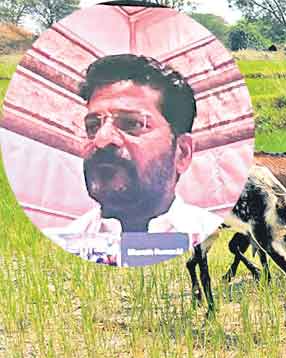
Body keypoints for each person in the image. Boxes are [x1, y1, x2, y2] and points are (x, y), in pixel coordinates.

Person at [51, 53, 222, 262]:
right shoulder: (59, 249)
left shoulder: (215, 237)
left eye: (132, 123)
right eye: (93, 126)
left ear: (182, 153)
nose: (101, 139)